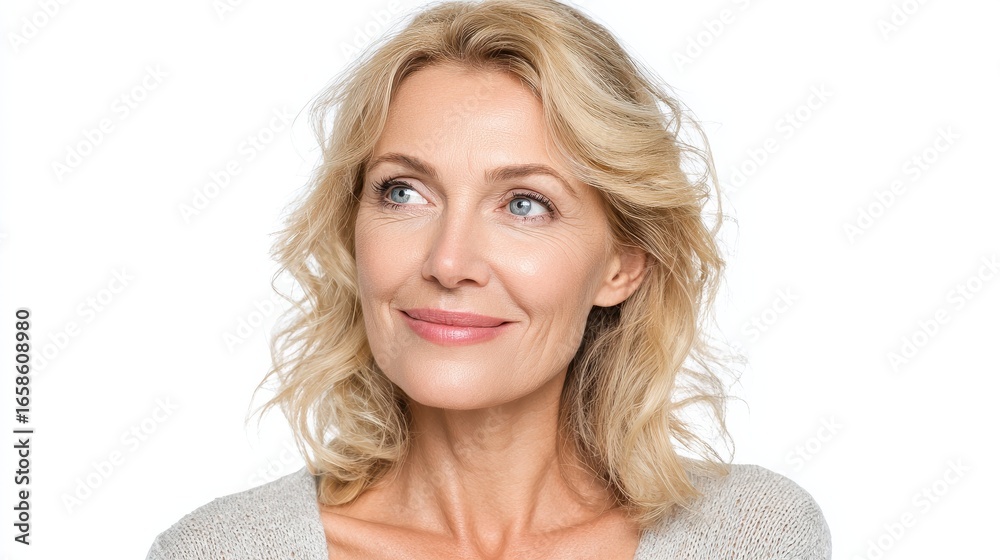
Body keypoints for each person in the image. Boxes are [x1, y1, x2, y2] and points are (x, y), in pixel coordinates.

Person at [146, 0, 832, 558]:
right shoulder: (220, 552)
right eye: (404, 193)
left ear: (623, 265)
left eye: (524, 204)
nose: (448, 263)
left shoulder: (752, 537)